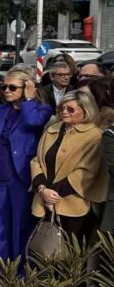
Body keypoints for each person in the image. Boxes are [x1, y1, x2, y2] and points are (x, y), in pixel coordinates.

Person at [0, 69, 50, 282]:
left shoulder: (40, 109)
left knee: (21, 226)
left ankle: (22, 275)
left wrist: (30, 99)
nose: (7, 90)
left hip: (22, 176)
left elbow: (34, 122)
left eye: (12, 87)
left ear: (27, 88)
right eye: (4, 86)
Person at [30, 90, 107, 243]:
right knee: (44, 251)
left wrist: (52, 194)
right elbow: (36, 161)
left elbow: (87, 172)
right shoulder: (52, 129)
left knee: (71, 255)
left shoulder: (95, 135)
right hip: (44, 199)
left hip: (74, 205)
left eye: (70, 109)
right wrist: (43, 190)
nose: (64, 112)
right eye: (61, 108)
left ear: (86, 110)